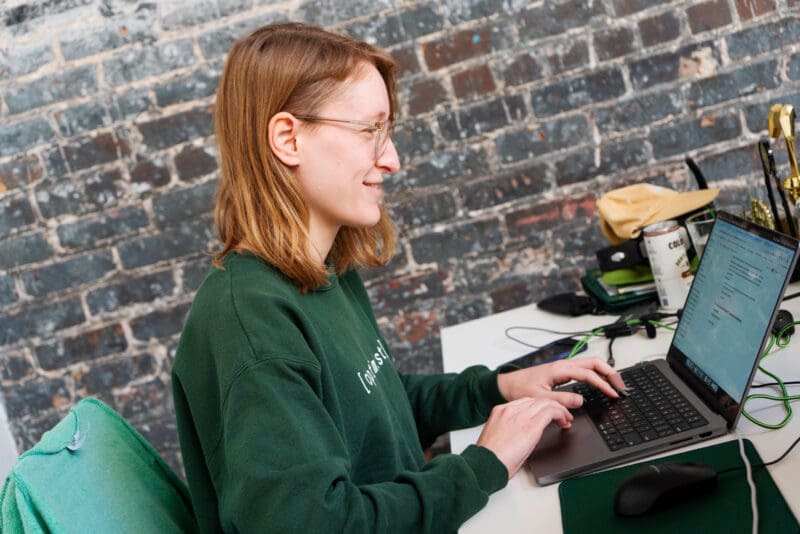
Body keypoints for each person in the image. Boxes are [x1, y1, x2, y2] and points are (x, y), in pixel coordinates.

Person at [171, 22, 626, 533]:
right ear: (288, 138)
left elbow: (374, 405)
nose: (392, 159)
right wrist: (482, 466)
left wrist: (499, 389)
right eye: (369, 131)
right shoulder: (251, 322)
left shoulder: (319, 268)